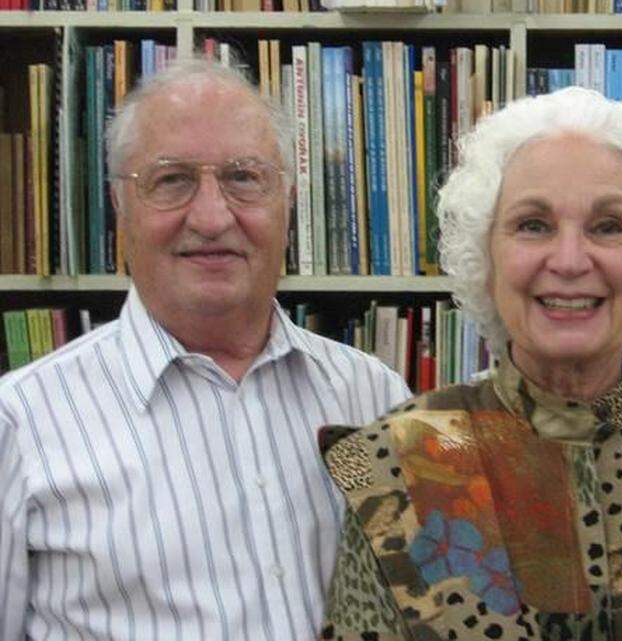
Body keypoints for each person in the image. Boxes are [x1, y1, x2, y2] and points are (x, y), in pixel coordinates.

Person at [315, 86, 622, 640]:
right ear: (487, 258)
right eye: (533, 225)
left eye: (609, 225)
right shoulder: (388, 465)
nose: (570, 261)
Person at [0, 58, 411, 640]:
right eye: (172, 180)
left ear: (287, 202)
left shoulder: (374, 394)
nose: (213, 217)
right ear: (121, 206)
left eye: (244, 177)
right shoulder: (20, 425)